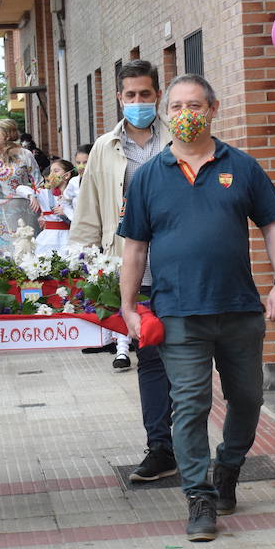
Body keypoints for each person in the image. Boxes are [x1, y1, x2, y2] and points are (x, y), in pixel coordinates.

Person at [118, 73, 275, 542]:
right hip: (177, 313)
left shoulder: (244, 166)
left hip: (239, 310)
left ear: (213, 109)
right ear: (166, 113)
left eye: (194, 105)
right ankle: (199, 497)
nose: (184, 114)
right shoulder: (149, 177)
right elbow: (134, 247)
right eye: (175, 106)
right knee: (190, 405)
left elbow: (273, 225)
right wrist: (129, 306)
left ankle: (229, 467)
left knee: (248, 399)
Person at [71, 60, 176, 457]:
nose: (138, 102)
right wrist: (84, 267)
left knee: (182, 361)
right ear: (119, 98)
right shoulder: (105, 147)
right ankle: (160, 446)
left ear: (157, 95)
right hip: (132, 268)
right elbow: (89, 209)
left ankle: (184, 439)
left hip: (178, 266)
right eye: (130, 95)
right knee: (149, 357)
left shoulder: (175, 139)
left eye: (145, 94)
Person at [0, 118, 42, 255]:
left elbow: (38, 182)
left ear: (7, 135)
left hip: (22, 207)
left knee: (23, 247)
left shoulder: (25, 154)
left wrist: (38, 201)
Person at [34, 159, 75, 255]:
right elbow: (20, 188)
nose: (51, 175)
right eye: (51, 171)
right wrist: (31, 196)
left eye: (56, 171)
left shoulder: (75, 194)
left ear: (67, 175)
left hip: (69, 235)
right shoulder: (43, 193)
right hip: (49, 237)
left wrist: (66, 212)